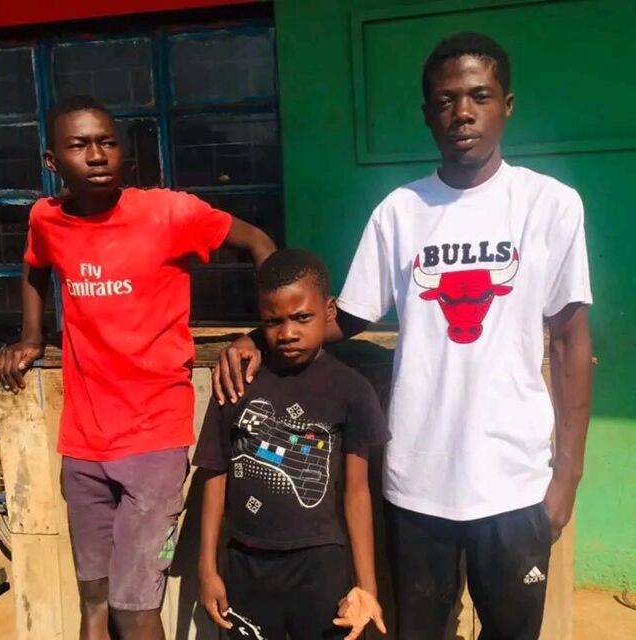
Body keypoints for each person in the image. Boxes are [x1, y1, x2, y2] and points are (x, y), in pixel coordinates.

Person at [210, 32, 594, 640]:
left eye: (479, 96)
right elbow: (347, 317)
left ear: (506, 105)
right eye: (445, 100)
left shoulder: (549, 205)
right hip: (418, 483)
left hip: (514, 478)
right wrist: (260, 338)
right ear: (426, 113)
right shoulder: (399, 212)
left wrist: (566, 477)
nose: (462, 112)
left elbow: (572, 342)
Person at [0, 95, 275, 640]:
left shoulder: (169, 213)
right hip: (83, 442)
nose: (97, 155)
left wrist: (261, 334)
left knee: (135, 606)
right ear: (52, 161)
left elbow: (259, 244)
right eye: (79, 145)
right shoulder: (46, 219)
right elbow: (34, 268)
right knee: (94, 603)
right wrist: (31, 337)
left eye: (107, 142)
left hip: (154, 440)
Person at [193, 248, 389, 640]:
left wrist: (366, 586)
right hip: (246, 562)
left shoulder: (351, 389)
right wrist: (207, 568)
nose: (287, 333)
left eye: (302, 317)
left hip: (322, 566)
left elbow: (356, 491)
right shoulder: (237, 381)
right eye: (273, 321)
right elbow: (215, 474)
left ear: (329, 310)